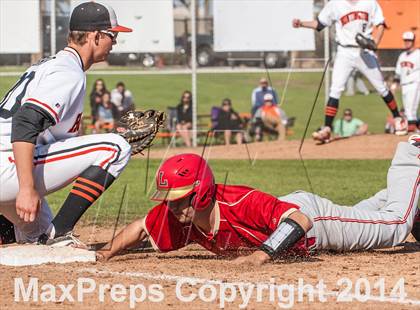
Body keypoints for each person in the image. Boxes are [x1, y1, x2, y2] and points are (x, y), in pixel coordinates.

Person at [96, 137, 419, 263]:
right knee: (369, 211)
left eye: (180, 199)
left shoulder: (241, 202)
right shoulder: (181, 216)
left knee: (395, 225)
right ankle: (403, 191)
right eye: (168, 200)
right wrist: (107, 253)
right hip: (294, 219)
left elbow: (300, 220)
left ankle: (412, 151)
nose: (173, 207)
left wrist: (260, 256)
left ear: (203, 191)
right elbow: (141, 227)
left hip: (314, 223)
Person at [0, 2, 133, 246]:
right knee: (116, 148)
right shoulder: (67, 71)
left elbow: (50, 135)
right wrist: (27, 188)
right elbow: (25, 122)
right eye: (112, 36)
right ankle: (59, 232)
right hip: (8, 166)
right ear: (95, 36)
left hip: (8, 163)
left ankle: (7, 229)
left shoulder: (51, 65)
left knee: (36, 237)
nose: (114, 42)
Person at [292, 0, 407, 143]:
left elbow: (381, 24)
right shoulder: (336, 4)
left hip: (365, 51)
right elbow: (320, 24)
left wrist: (375, 43)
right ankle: (327, 128)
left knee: (381, 88)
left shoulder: (369, 2)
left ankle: (397, 118)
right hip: (344, 52)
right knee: (335, 90)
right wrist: (301, 23)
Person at [392, 31, 420, 134]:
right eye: (406, 40)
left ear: (413, 41)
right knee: (408, 109)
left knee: (411, 110)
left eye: (409, 40)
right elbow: (398, 72)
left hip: (415, 83)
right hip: (404, 85)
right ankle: (415, 131)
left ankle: (411, 132)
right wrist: (395, 83)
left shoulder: (418, 54)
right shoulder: (402, 55)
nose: (407, 42)